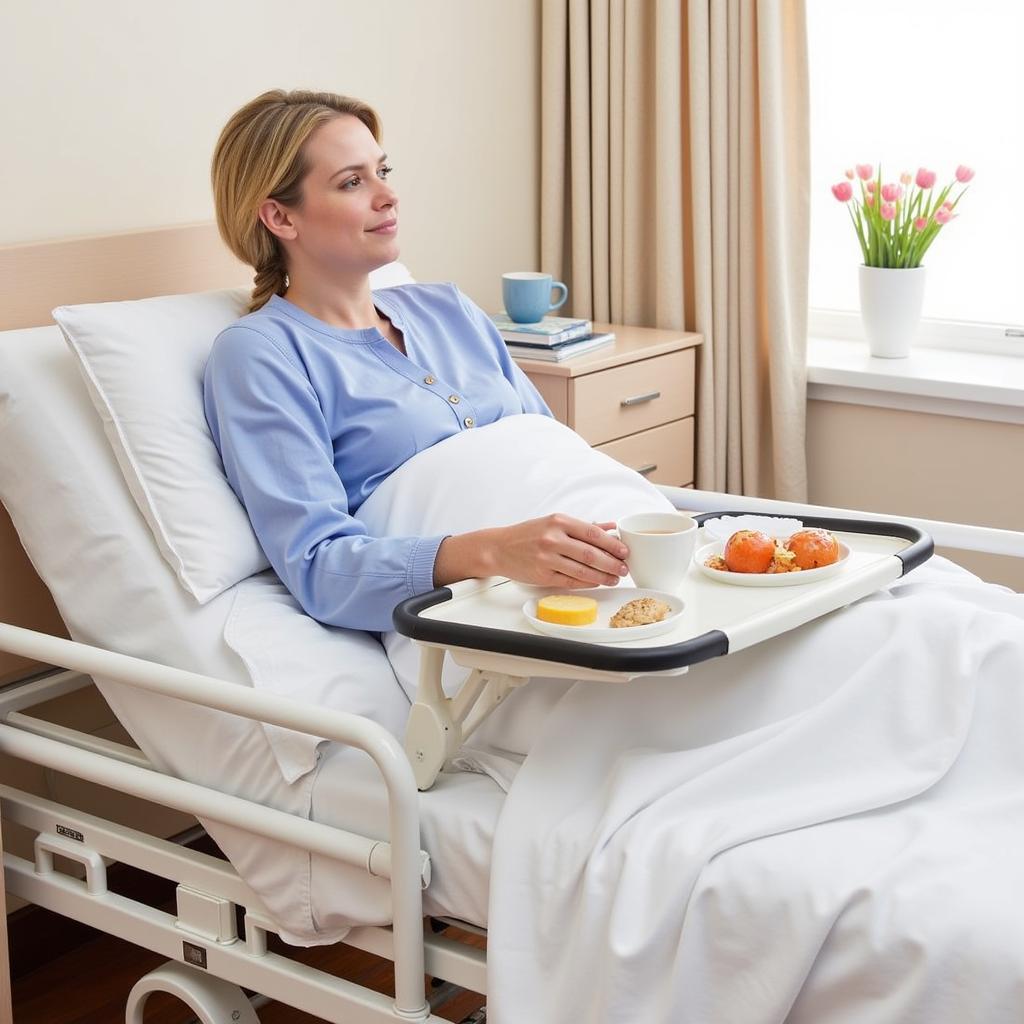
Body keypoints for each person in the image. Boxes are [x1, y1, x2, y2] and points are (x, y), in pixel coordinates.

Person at [205, 89, 629, 632]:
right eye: (353, 182)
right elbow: (319, 567)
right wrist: (495, 551)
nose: (389, 196)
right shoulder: (261, 355)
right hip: (488, 612)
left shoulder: (447, 308)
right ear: (280, 218)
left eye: (383, 170)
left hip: (603, 566)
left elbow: (551, 454)